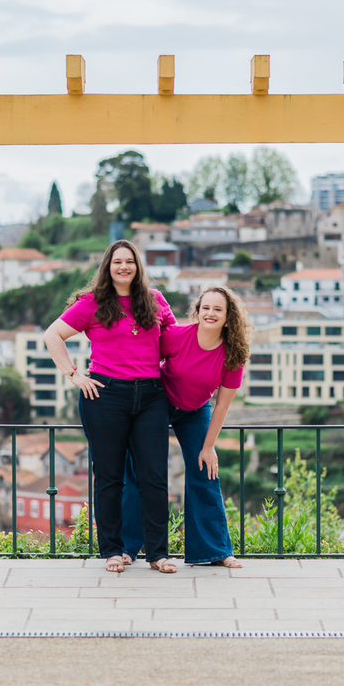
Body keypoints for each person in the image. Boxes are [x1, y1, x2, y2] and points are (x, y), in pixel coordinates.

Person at [42, 240, 178, 573]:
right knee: (109, 477)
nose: (123, 267)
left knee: (154, 478)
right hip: (105, 396)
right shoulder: (92, 303)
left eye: (129, 261)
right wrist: (74, 375)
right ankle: (113, 552)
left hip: (151, 396)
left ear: (138, 266)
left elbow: (175, 341)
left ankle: (158, 554)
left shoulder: (155, 300)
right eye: (117, 261)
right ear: (108, 266)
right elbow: (52, 335)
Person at [122, 286, 251, 568]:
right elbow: (144, 360)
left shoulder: (233, 354)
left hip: (195, 410)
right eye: (206, 308)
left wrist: (208, 447)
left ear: (228, 318)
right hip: (158, 402)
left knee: (205, 471)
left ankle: (215, 551)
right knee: (140, 471)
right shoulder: (177, 336)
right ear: (197, 311)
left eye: (218, 309)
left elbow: (222, 405)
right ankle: (127, 548)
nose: (210, 313)